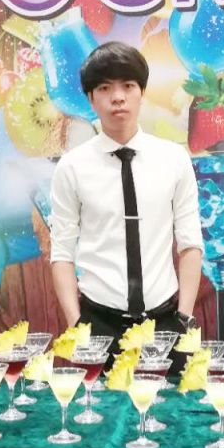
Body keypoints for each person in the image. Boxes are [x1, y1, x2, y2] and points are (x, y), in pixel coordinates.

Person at [49, 42, 203, 362]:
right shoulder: (72, 167)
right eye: (105, 88)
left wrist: (184, 319)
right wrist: (76, 325)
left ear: (141, 92)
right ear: (90, 98)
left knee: (173, 397)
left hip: (166, 322)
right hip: (97, 324)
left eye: (128, 86)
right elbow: (61, 253)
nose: (118, 97)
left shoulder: (174, 159)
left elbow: (190, 243)